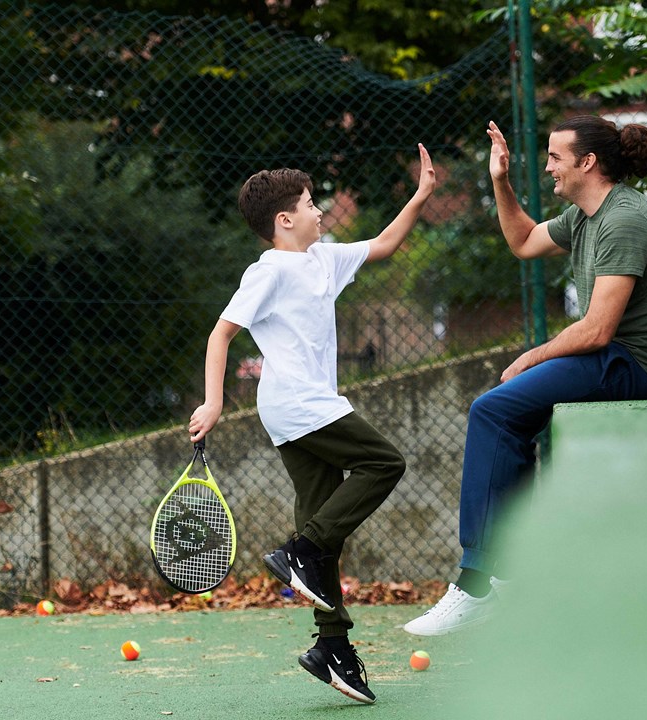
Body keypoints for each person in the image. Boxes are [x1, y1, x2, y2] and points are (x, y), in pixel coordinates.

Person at [403, 116, 647, 636]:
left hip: (637, 364)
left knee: (493, 410)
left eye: (556, 157)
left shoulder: (623, 221)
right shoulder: (585, 215)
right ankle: (508, 572)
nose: (549, 167)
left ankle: (477, 585)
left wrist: (530, 357)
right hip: (615, 357)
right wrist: (500, 181)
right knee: (510, 416)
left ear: (588, 163)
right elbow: (525, 241)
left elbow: (599, 329)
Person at [189, 144, 436, 703]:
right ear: (285, 220)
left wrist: (421, 194)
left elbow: (387, 243)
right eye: (309, 203)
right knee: (383, 464)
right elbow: (220, 335)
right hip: (297, 403)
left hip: (306, 406)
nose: (320, 210)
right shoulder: (269, 270)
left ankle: (332, 649)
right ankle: (302, 548)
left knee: (324, 526)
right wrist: (214, 404)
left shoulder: (323, 258)